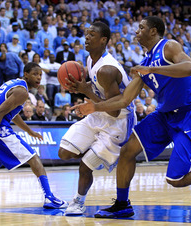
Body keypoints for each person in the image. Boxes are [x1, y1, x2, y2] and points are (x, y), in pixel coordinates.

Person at [73, 16, 191, 218]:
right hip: (164, 115)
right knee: (127, 151)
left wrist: (153, 70)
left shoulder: (168, 46)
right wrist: (95, 106)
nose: (136, 32)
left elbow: (190, 68)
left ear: (153, 31)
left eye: (141, 28)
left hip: (189, 114)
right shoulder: (144, 63)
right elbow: (124, 100)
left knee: (176, 179)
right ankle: (122, 204)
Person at [58, 22, 136, 215]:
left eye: (92, 34)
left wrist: (87, 92)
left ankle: (78, 202)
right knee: (64, 152)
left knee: (85, 166)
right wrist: (82, 89)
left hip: (118, 122)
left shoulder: (107, 69)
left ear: (104, 40)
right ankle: (98, 157)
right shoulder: (90, 59)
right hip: (99, 113)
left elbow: (115, 111)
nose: (87, 37)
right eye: (86, 34)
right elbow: (96, 92)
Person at [0, 62, 68, 209]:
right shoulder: (22, 92)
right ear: (26, 74)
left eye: (40, 74)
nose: (38, 77)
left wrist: (29, 131)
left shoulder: (14, 84)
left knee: (0, 157)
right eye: (35, 74)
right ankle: (49, 197)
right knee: (33, 158)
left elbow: (11, 114)